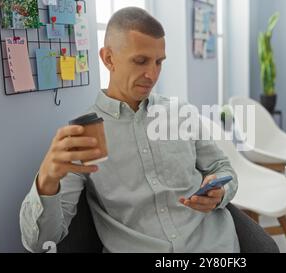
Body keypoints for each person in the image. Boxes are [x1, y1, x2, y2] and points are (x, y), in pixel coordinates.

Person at [19, 7, 240, 253]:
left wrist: (220, 192)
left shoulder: (181, 113)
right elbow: (39, 243)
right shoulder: (83, 136)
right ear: (108, 58)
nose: (152, 74)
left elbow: (223, 167)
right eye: (140, 61)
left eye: (159, 62)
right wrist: (46, 182)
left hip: (214, 247)